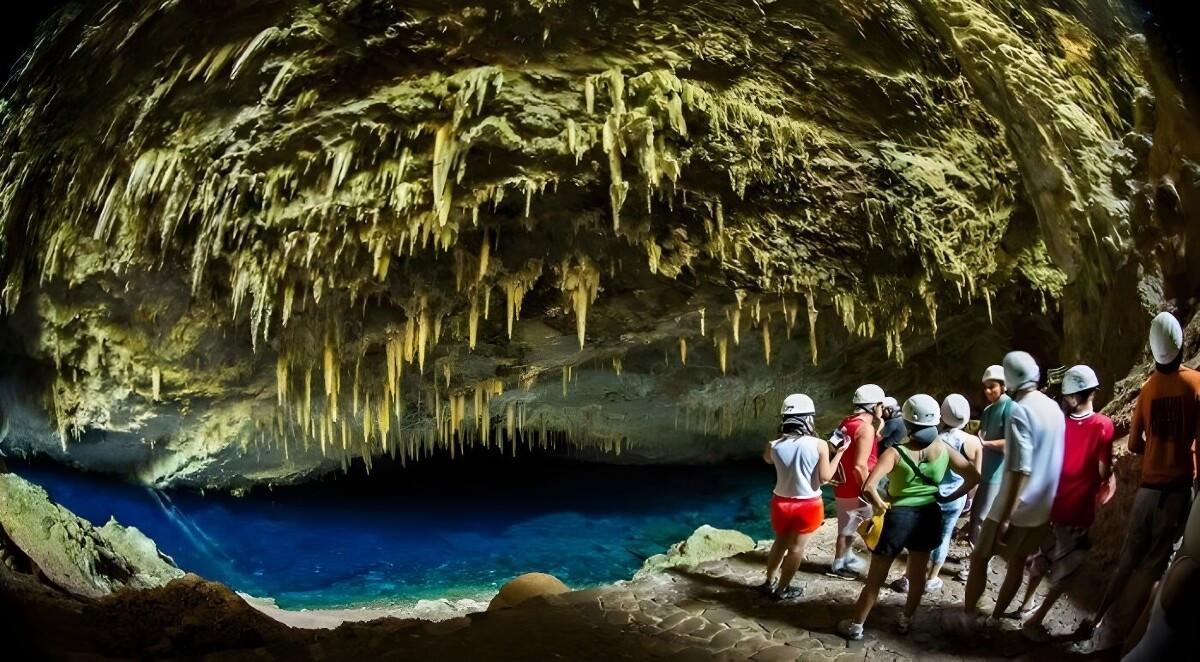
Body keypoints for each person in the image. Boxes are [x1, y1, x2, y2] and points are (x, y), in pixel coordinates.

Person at [1078, 312, 1200, 652]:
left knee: (1129, 557)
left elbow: (1133, 444)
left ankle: (1098, 618)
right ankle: (1116, 637)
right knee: (1154, 564)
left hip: (1148, 488)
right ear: (1181, 346)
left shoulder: (1147, 389)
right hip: (1177, 490)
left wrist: (1154, 450)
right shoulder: (1195, 384)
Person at [836, 394, 980, 640]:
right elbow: (974, 476)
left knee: (876, 578)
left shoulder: (895, 453)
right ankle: (906, 620)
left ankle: (857, 625)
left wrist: (881, 505)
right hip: (929, 514)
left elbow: (868, 487)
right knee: (917, 574)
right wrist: (946, 497)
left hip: (898, 516)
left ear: (909, 424)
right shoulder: (943, 449)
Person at [961, 351, 1064, 628]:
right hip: (1043, 504)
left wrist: (1006, 515)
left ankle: (969, 616)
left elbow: (1020, 467)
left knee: (980, 557)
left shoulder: (1020, 410)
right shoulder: (1053, 407)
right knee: (1017, 563)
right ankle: (995, 620)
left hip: (1014, 503)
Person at [1016, 365, 1115, 639]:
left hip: (1050, 506)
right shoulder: (1103, 426)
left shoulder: (1057, 424)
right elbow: (1103, 472)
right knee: (1066, 570)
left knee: (1043, 555)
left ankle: (1024, 604)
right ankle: (1035, 620)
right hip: (1077, 510)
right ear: (1094, 391)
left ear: (1069, 396)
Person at [890, 394, 982, 594]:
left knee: (920, 538)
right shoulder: (974, 442)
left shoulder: (934, 439)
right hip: (956, 498)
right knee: (945, 536)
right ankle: (932, 578)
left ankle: (909, 577)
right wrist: (966, 497)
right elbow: (976, 477)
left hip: (931, 496)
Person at [761, 393, 848, 599]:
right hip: (807, 505)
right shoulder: (819, 444)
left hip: (780, 502)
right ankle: (782, 589)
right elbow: (825, 478)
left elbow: (768, 460)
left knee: (779, 542)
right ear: (808, 419)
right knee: (796, 549)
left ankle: (769, 581)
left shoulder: (772, 445)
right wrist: (841, 453)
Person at [829, 384, 885, 578]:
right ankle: (838, 564)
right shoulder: (865, 428)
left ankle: (846, 556)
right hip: (857, 483)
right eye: (880, 405)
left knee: (850, 523)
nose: (883, 409)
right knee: (851, 525)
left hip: (843, 480)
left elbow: (834, 446)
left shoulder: (845, 422)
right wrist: (866, 490)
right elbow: (860, 466)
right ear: (873, 406)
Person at [967, 365, 1010, 551]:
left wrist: (986, 444)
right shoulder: (988, 410)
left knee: (985, 517)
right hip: (984, 470)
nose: (987, 391)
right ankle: (975, 554)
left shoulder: (1011, 408)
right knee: (975, 515)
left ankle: (982, 558)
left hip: (998, 473)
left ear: (1003, 386)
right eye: (985, 387)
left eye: (992, 386)